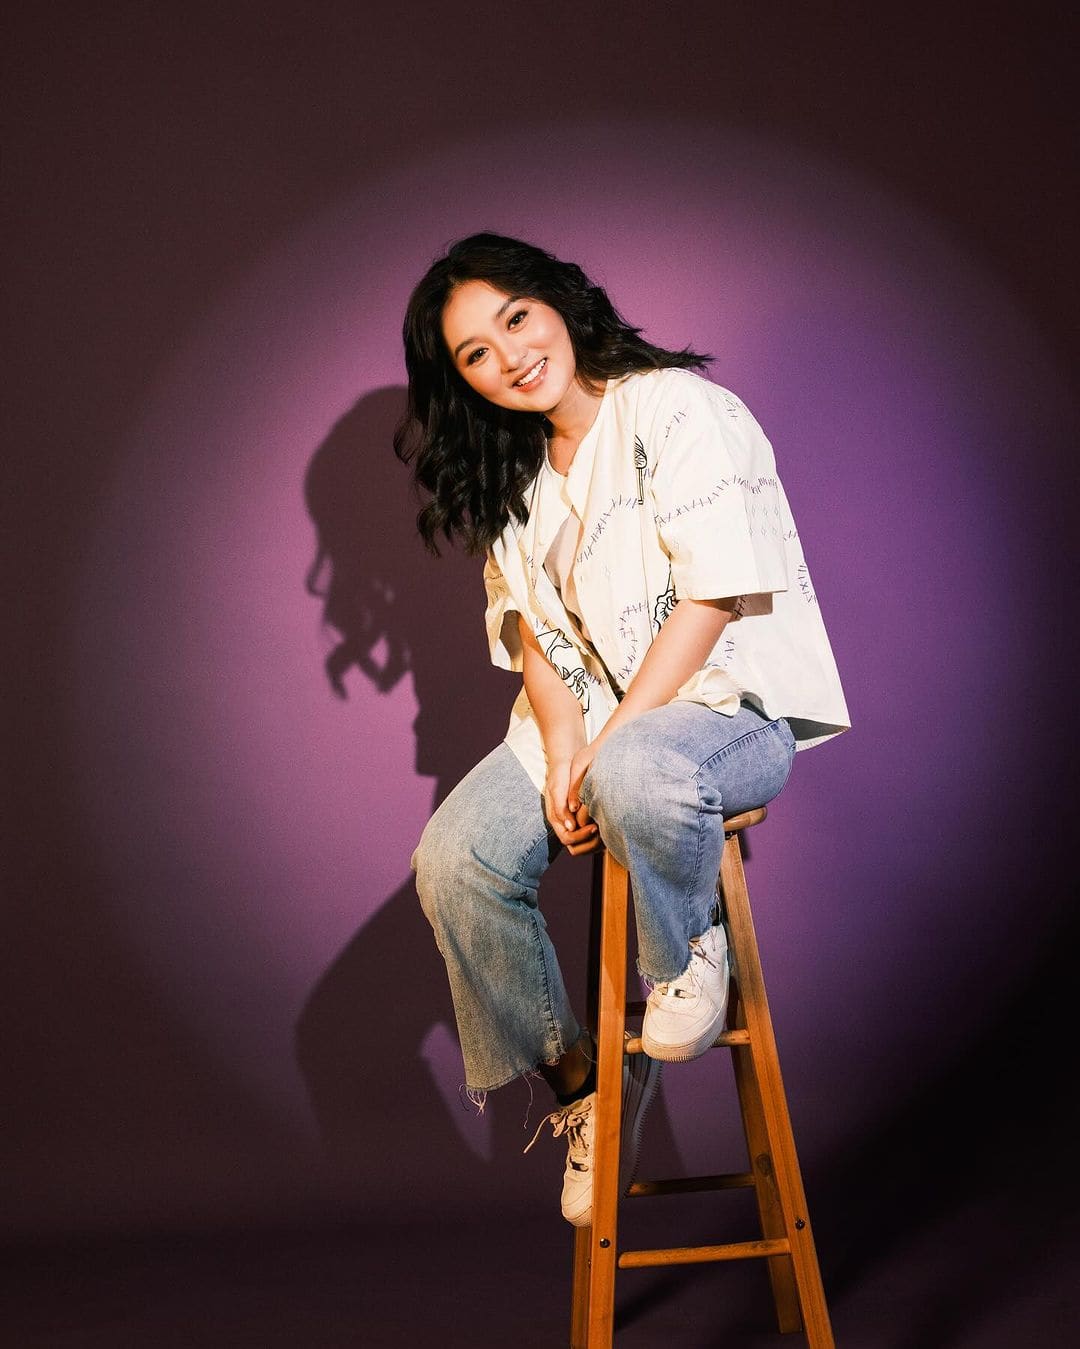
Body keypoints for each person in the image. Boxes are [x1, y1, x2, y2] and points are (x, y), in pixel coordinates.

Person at [394, 232, 849, 1227]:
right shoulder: (514, 471)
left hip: (725, 710)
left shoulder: (674, 407)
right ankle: (589, 1088)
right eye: (476, 352)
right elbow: (531, 632)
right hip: (596, 723)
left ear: (556, 301)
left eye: (516, 318)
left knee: (639, 763)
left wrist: (609, 748)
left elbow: (714, 598)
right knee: (455, 861)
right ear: (461, 380)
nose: (510, 356)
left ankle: (686, 948)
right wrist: (566, 748)